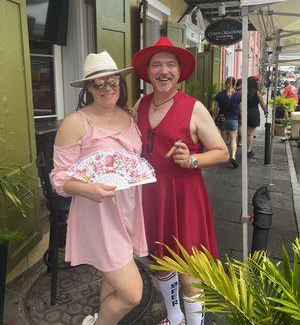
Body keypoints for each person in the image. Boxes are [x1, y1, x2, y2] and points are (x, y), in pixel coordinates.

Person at [132, 37, 229, 325]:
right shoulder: (141, 103)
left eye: (170, 65)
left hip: (184, 195)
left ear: (179, 72)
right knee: (161, 263)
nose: (164, 71)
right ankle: (175, 319)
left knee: (189, 273)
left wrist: (193, 159)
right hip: (152, 196)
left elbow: (222, 151)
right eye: (157, 65)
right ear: (148, 72)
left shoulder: (193, 107)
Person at [50, 52, 148, 325]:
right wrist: (88, 189)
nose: (107, 88)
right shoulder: (76, 122)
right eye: (98, 84)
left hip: (129, 209)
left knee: (111, 277)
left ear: (121, 83)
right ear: (88, 89)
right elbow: (59, 179)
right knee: (132, 294)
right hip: (98, 214)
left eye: (112, 82)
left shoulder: (129, 116)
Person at [214, 77, 241, 168]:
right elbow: (240, 109)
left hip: (223, 119)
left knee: (224, 140)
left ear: (225, 83)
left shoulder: (220, 95)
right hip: (233, 119)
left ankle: (224, 156)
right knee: (233, 141)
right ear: (234, 84)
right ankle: (233, 157)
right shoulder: (238, 95)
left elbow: (215, 109)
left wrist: (215, 117)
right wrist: (241, 119)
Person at [247, 76, 268, 158]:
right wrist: (266, 112)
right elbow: (262, 104)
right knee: (250, 134)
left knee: (245, 132)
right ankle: (248, 150)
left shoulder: (243, 92)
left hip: (244, 112)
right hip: (254, 113)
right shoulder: (258, 93)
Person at [235, 78, 242, 147]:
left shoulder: (234, 90)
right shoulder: (241, 92)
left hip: (233, 109)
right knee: (240, 125)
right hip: (239, 110)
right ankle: (239, 141)